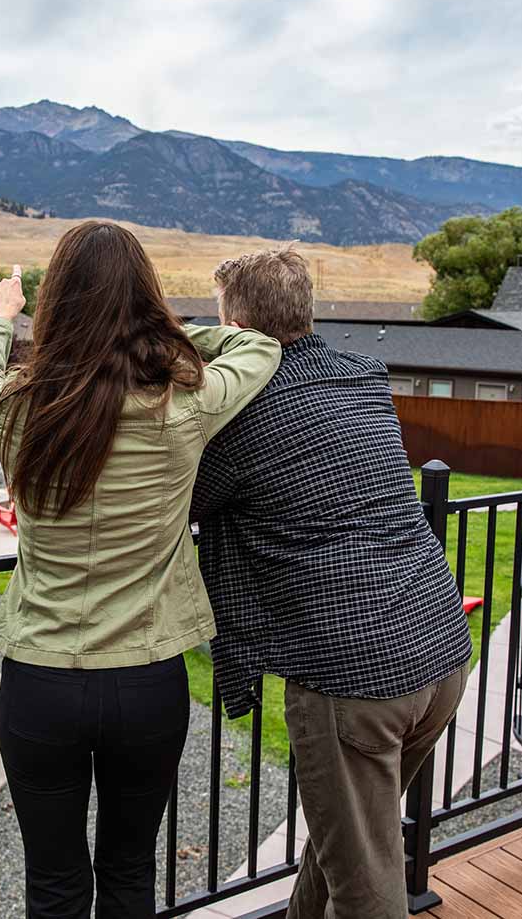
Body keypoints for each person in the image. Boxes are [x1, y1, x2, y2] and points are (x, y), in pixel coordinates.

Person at [0, 221, 281, 919]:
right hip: (146, 680)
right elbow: (257, 344)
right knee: (131, 873)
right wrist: (158, 335)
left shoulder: (19, 407)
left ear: (57, 305)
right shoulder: (183, 401)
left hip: (40, 682)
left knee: (53, 884)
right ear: (145, 300)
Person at [190, 247, 472, 919]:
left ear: (233, 319)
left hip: (352, 679)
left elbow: (181, 498)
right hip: (439, 653)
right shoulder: (360, 376)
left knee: (364, 887)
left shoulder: (240, 412)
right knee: (349, 841)